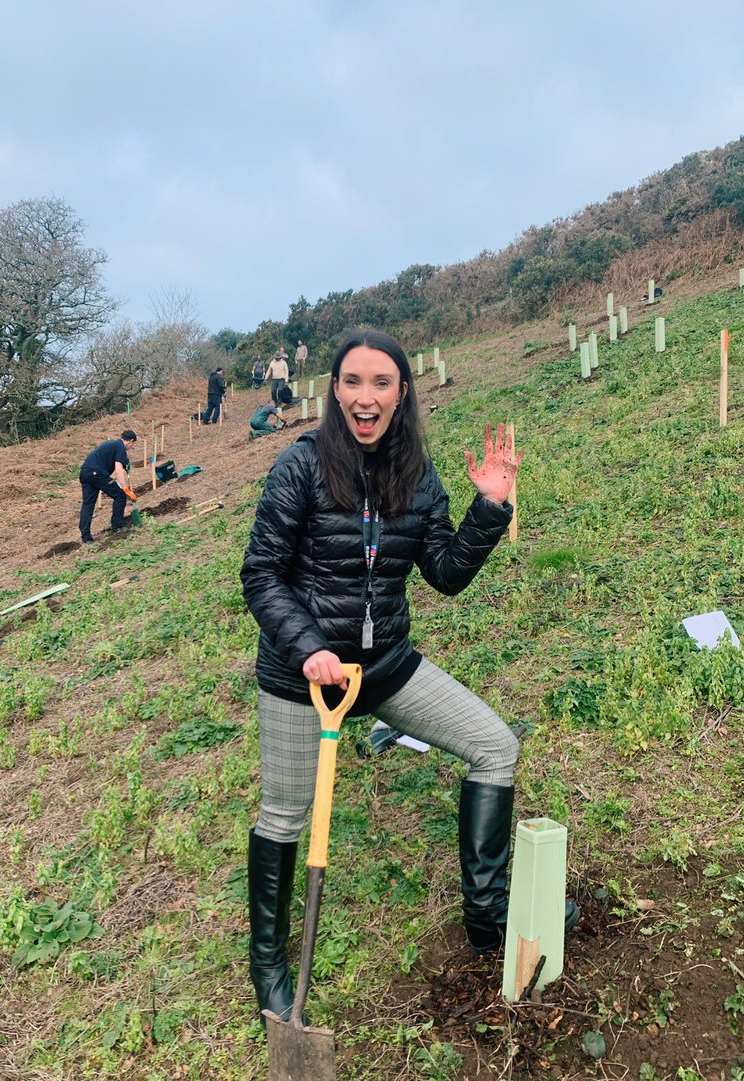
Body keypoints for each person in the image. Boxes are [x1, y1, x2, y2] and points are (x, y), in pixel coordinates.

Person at [241, 329, 579, 1023]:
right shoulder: (300, 467)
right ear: (335, 392)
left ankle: (488, 916)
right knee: (284, 815)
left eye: (381, 383)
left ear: (401, 394)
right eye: (352, 382)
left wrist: (489, 509)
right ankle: (270, 967)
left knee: (495, 746)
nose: (365, 397)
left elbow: (445, 574)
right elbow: (262, 574)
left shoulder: (417, 476)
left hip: (386, 667)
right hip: (303, 678)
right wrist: (308, 647)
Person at [78, 431, 138, 545]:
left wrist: (126, 464)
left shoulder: (112, 444)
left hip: (85, 473)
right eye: (133, 444)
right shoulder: (120, 446)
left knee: (88, 504)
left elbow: (117, 462)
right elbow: (118, 470)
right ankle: (118, 526)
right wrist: (126, 490)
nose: (131, 447)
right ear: (130, 441)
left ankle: (86, 537)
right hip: (97, 474)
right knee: (120, 495)